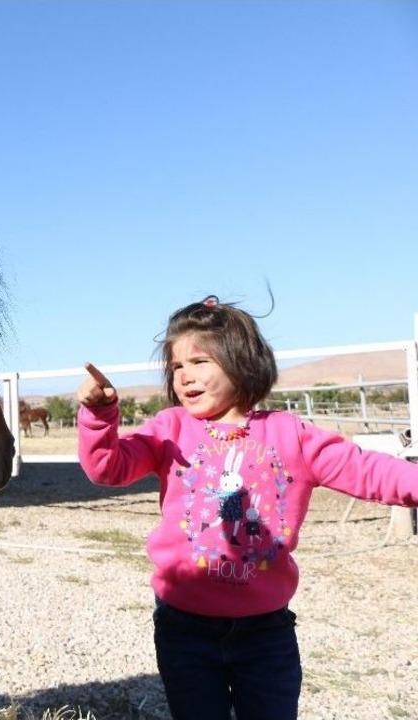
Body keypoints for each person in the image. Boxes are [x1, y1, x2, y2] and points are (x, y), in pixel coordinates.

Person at [75, 295, 418, 720]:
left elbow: (367, 471)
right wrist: (99, 417)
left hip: (265, 633)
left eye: (199, 361)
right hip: (184, 628)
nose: (184, 376)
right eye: (176, 366)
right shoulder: (170, 429)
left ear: (241, 362)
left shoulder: (291, 435)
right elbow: (107, 468)